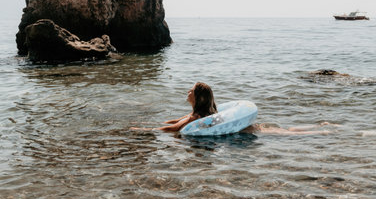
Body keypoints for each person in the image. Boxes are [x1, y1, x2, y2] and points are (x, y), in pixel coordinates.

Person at [131, 82, 335, 135]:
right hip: (249, 128)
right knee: (285, 130)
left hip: (246, 133)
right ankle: (321, 126)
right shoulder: (198, 114)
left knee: (286, 134)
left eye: (191, 90)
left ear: (198, 97)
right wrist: (153, 123)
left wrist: (144, 131)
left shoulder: (196, 118)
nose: (188, 91)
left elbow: (173, 129)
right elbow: (175, 122)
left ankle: (322, 131)